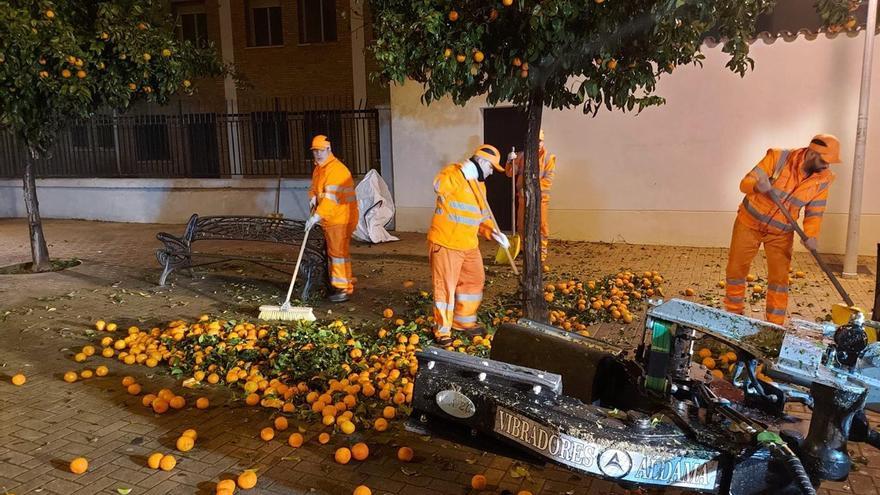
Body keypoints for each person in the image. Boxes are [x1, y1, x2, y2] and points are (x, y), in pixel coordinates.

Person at [724, 134, 841, 325]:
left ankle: (775, 326)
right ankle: (733, 317)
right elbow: (744, 184)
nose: (826, 166)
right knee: (736, 271)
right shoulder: (778, 158)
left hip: (781, 233)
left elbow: (815, 212)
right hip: (749, 223)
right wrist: (758, 186)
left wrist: (811, 236)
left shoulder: (824, 179)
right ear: (812, 153)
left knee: (779, 280)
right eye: (824, 160)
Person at [428, 144, 509, 345]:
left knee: (475, 280)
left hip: (468, 244)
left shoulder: (480, 185)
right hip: (446, 242)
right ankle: (442, 331)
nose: (491, 172)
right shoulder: (454, 172)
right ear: (482, 162)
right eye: (491, 167)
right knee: (445, 287)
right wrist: (462, 174)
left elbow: (480, 217)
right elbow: (439, 185)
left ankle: (463, 322)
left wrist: (493, 232)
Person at [306, 135, 358, 303]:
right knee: (335, 253)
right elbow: (315, 188)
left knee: (338, 254)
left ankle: (343, 288)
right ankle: (342, 280)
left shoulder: (335, 170)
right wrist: (312, 196)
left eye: (321, 150)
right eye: (315, 151)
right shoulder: (320, 168)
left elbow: (330, 199)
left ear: (329, 150)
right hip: (331, 218)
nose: (318, 154)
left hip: (340, 218)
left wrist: (316, 216)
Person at [505, 129, 556, 261]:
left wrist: (531, 189)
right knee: (521, 225)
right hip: (523, 199)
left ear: (543, 141)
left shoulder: (549, 158)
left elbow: (548, 180)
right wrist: (510, 161)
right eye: (535, 141)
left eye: (539, 141)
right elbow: (510, 174)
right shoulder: (521, 156)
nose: (537, 143)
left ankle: (541, 253)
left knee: (541, 226)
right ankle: (522, 249)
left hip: (541, 199)